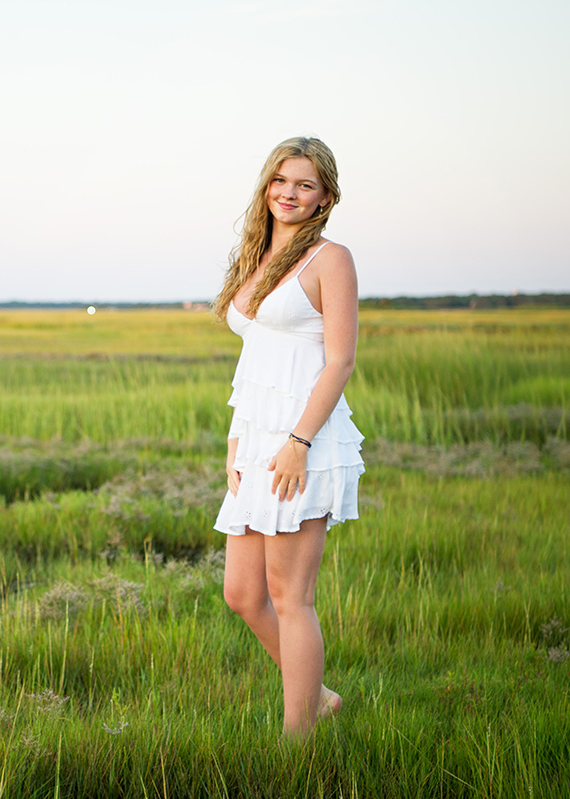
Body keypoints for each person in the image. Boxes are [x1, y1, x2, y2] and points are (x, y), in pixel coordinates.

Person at [211, 136, 365, 739]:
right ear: (266, 187)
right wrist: (234, 446)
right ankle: (319, 695)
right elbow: (256, 361)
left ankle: (297, 739)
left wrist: (298, 444)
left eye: (304, 184)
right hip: (254, 443)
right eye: (280, 181)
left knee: (289, 595)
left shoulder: (331, 259)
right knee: (243, 594)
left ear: (325, 195)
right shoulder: (256, 259)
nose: (289, 194)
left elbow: (339, 362)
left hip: (306, 442)